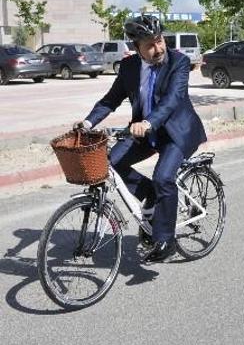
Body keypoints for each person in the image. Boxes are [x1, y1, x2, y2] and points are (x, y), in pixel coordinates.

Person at [76, 15, 207, 263]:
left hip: (176, 131)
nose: (158, 48)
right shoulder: (129, 68)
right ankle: (150, 195)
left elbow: (172, 100)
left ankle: (166, 240)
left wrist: (148, 122)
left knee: (163, 177)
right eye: (150, 44)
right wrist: (88, 122)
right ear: (136, 47)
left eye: (159, 41)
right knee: (111, 161)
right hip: (144, 132)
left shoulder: (178, 62)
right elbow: (110, 100)